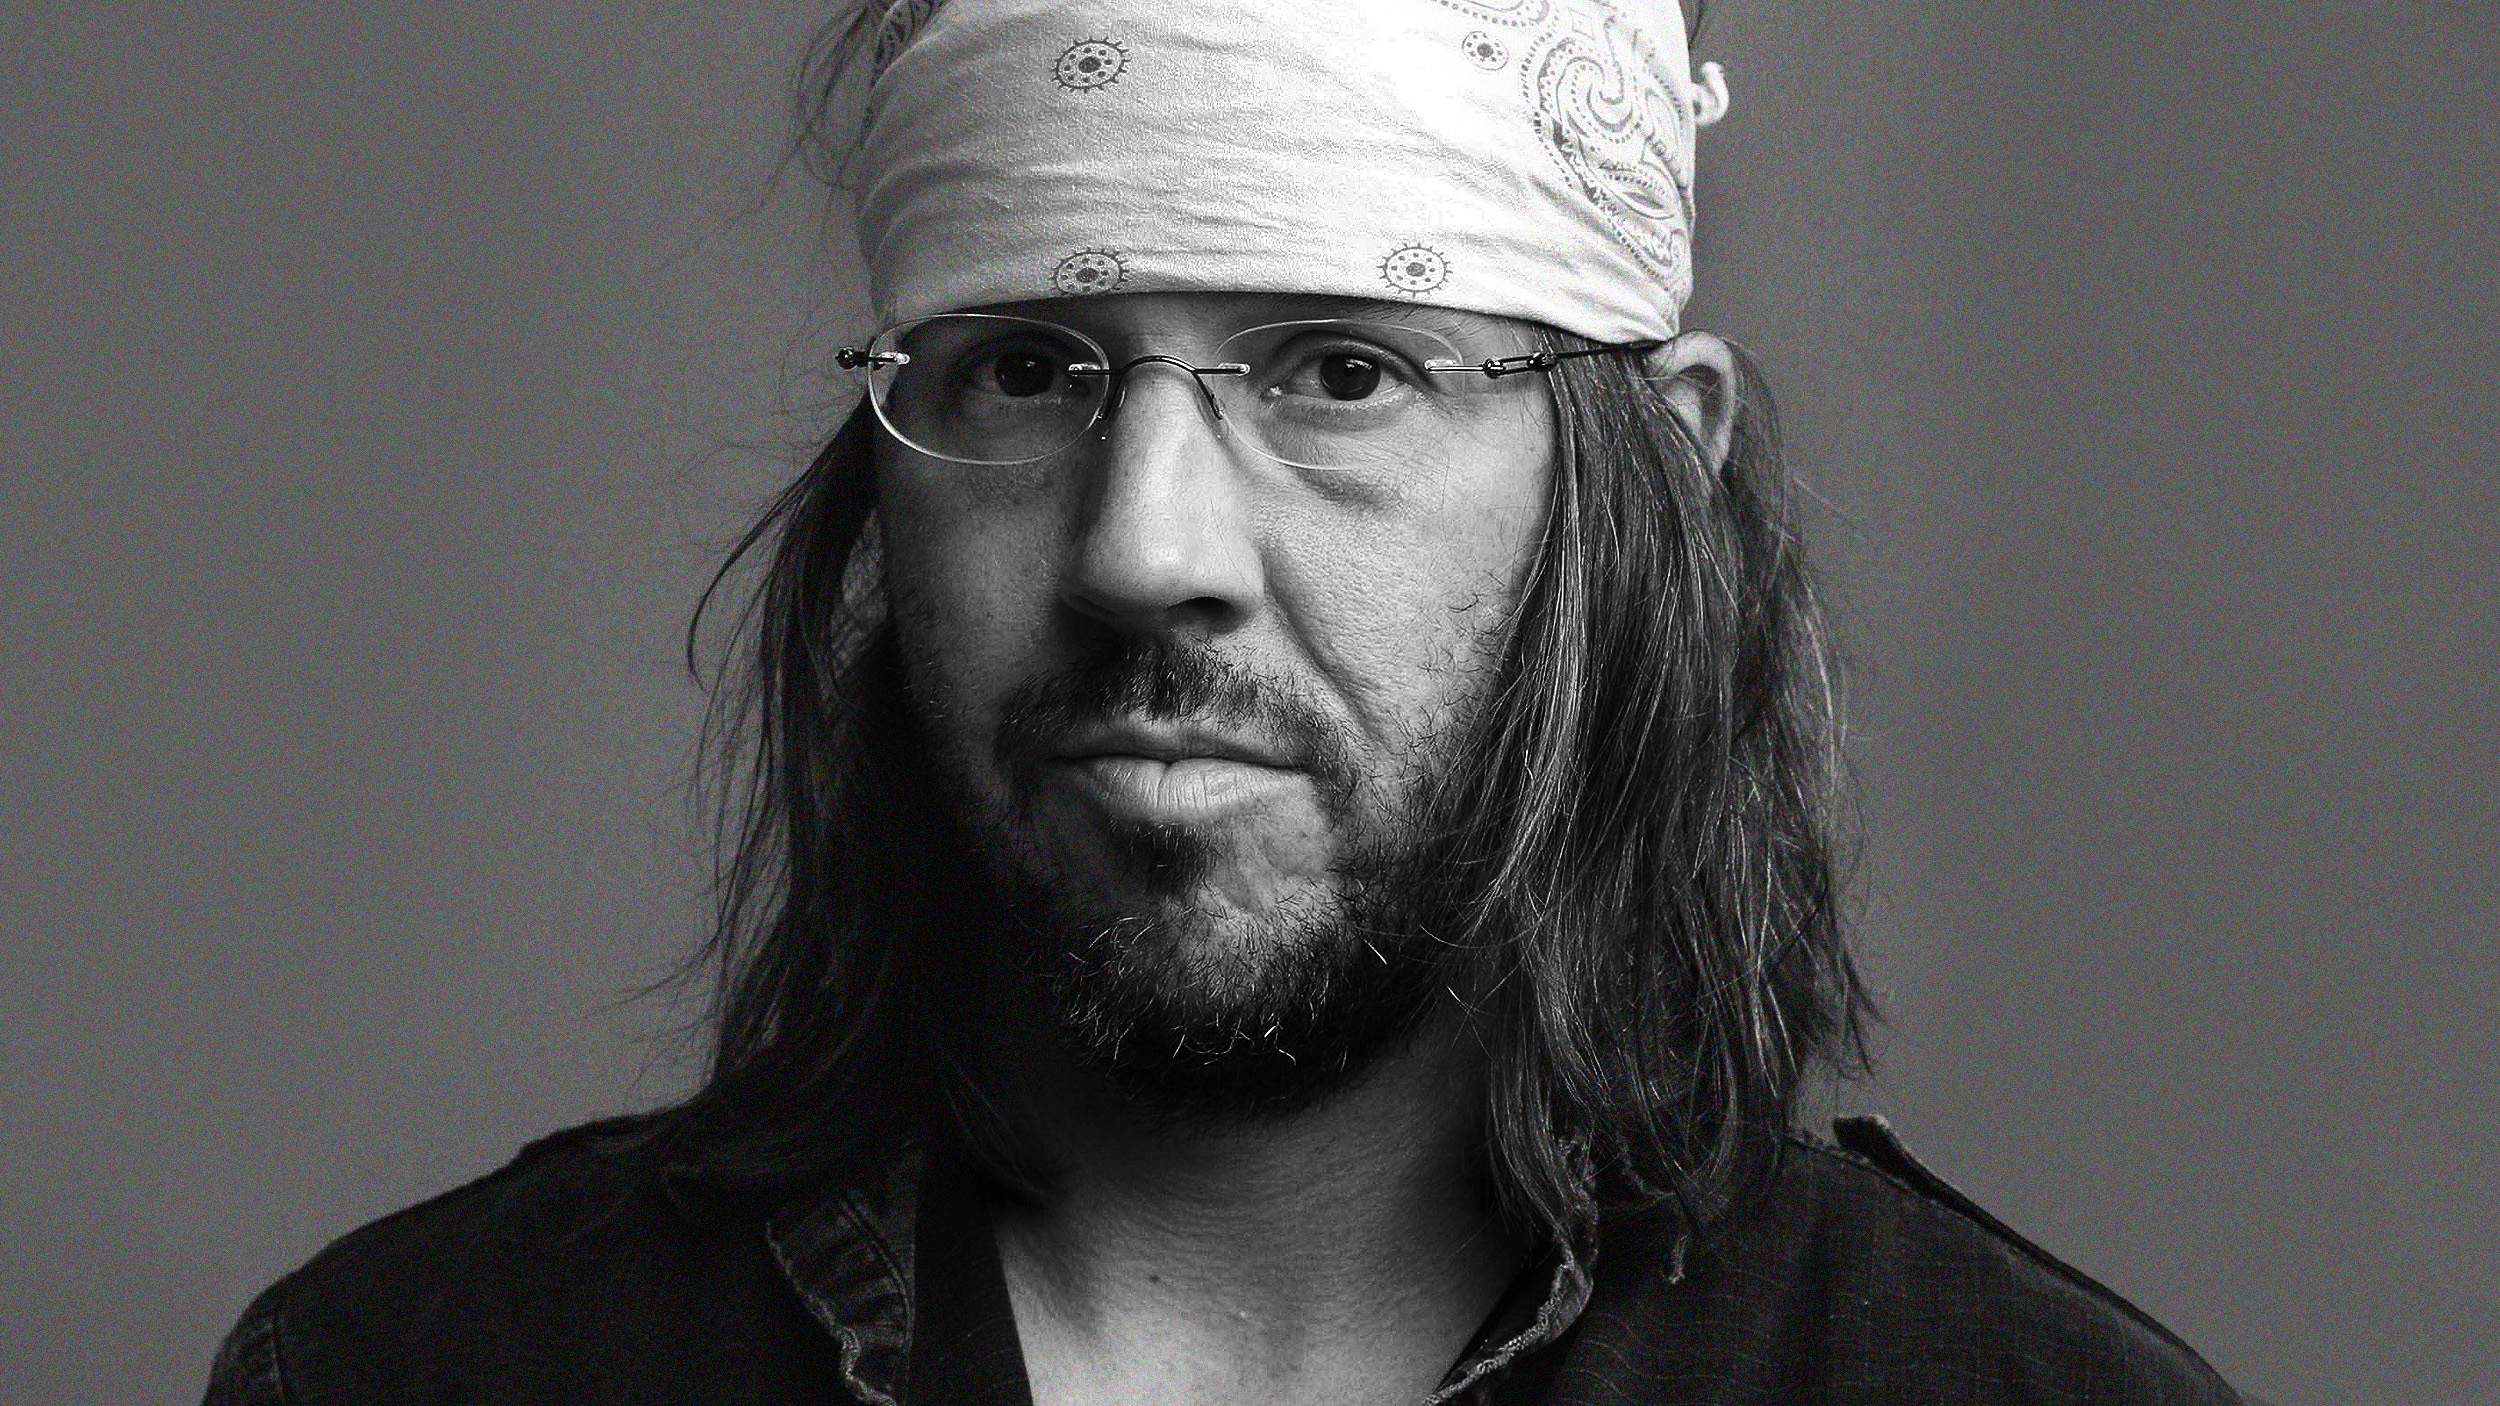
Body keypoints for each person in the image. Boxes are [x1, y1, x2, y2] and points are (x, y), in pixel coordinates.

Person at [207, 1, 2250, 1401]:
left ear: (1653, 467)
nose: (1139, 547)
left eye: (1337, 370)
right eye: (1025, 366)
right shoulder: (425, 1371)